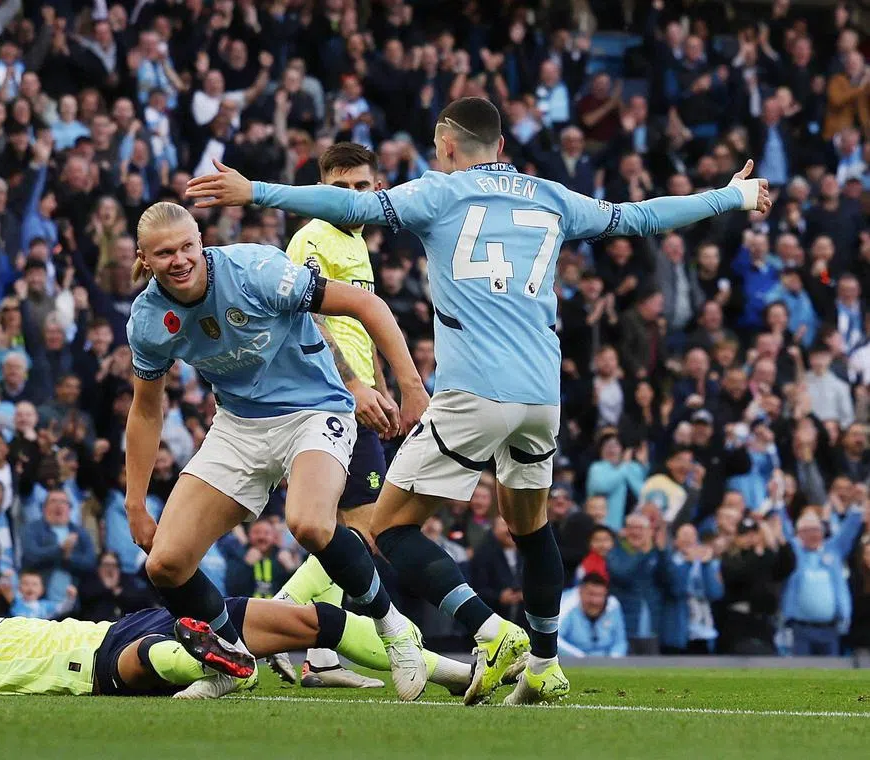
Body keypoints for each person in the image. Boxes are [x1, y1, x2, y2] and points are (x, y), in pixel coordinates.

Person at [187, 95, 770, 705]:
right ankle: (545, 662)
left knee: (387, 528)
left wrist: (257, 190)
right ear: (501, 148)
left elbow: (352, 205)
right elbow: (642, 216)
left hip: (473, 393)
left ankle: (488, 632)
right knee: (531, 526)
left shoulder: (440, 194)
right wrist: (731, 196)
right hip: (543, 396)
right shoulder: (551, 197)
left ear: (445, 147)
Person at [124, 201, 430, 700]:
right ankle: (231, 659)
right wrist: (135, 502)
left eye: (186, 247)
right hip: (239, 427)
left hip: (315, 410)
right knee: (165, 564)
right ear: (144, 258)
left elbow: (366, 304)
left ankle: (394, 629)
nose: (179, 260)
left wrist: (410, 386)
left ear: (201, 241)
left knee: (309, 522)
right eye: (164, 253)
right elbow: (145, 410)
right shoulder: (148, 320)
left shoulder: (255, 269)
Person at [0, 543, 474, 699]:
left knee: (314, 620)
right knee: (145, 659)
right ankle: (208, 654)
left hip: (115, 626)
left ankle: (452, 674)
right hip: (93, 666)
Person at [268, 142, 397, 689]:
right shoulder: (312, 238)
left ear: (375, 188)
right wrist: (354, 383)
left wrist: (382, 386)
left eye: (360, 187)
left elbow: (362, 324)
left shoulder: (357, 242)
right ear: (320, 188)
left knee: (347, 529)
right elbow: (305, 317)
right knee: (370, 528)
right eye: (339, 188)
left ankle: (318, 654)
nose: (350, 197)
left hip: (355, 391)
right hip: (327, 392)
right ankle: (277, 612)